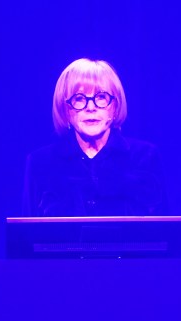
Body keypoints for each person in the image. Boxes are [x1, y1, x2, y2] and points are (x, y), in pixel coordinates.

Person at [22, 58, 168, 217]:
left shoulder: (145, 157)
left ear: (115, 107)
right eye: (79, 99)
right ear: (65, 109)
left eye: (101, 97)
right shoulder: (40, 163)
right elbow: (27, 237)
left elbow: (165, 234)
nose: (90, 108)